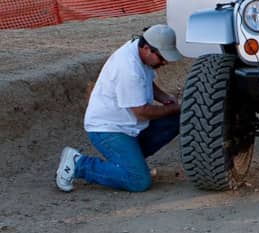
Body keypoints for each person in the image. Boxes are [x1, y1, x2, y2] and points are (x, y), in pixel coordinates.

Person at [56, 24, 183, 192]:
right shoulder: (128, 68)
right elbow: (141, 112)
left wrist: (165, 98)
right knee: (139, 181)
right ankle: (78, 164)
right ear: (147, 49)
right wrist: (174, 108)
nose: (165, 62)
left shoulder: (138, 49)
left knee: (178, 118)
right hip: (108, 129)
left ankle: (128, 163)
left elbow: (145, 82)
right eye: (162, 58)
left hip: (129, 127)